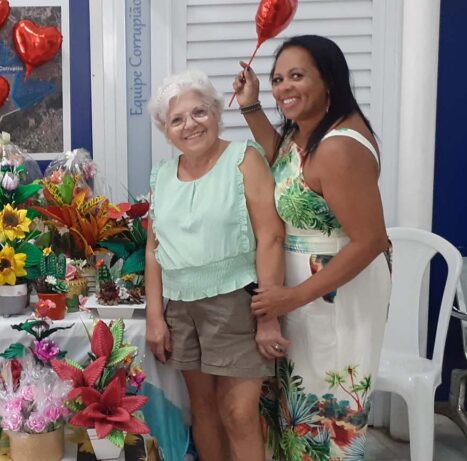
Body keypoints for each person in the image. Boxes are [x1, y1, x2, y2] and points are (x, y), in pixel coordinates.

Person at [232, 35, 392, 459]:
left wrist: (291, 297)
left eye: (297, 76)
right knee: (299, 407)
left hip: (337, 295)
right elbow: (283, 166)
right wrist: (250, 106)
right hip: (304, 294)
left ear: (329, 80)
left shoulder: (339, 147)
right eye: (278, 79)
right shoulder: (308, 133)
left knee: (327, 409)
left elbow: (372, 240)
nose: (284, 88)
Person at [144, 70, 288, 461]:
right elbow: (154, 249)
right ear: (166, 130)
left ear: (216, 114)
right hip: (180, 308)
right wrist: (155, 317)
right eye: (177, 119)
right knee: (202, 410)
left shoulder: (244, 159)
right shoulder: (162, 175)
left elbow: (271, 238)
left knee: (239, 414)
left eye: (199, 112)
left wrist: (269, 315)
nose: (190, 125)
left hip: (236, 304)